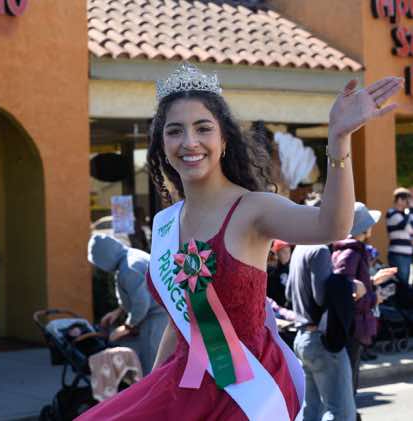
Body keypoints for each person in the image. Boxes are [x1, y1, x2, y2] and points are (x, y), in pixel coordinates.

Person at [76, 64, 402, 421]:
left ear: (224, 140)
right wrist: (151, 392)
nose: (189, 141)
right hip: (185, 382)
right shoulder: (166, 223)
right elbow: (181, 322)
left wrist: (338, 139)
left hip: (247, 389)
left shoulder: (252, 208)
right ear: (162, 144)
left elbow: (333, 225)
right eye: (175, 131)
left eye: (203, 128)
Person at [286, 242, 366, 421]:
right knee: (341, 413)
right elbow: (321, 296)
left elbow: (289, 294)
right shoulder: (319, 250)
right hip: (322, 341)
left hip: (303, 339)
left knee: (311, 412)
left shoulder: (299, 248)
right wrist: (352, 286)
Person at [332, 202, 397, 405]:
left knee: (349, 381)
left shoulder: (351, 250)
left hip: (354, 324)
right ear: (363, 227)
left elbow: (353, 285)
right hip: (353, 326)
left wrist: (373, 281)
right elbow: (345, 290)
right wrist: (375, 298)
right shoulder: (351, 252)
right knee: (348, 385)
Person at [89, 235, 168, 376]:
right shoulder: (132, 256)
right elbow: (139, 291)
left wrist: (127, 327)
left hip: (156, 319)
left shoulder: (129, 269)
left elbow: (141, 303)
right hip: (164, 314)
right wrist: (118, 312)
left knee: (152, 368)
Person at [386, 187, 413, 285]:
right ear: (399, 200)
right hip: (398, 254)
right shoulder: (392, 213)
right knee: (402, 284)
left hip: (407, 254)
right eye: (407, 200)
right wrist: (410, 209)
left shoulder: (405, 215)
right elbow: (405, 226)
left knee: (406, 283)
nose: (408, 202)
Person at [267, 240, 291, 306]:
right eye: (283, 252)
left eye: (289, 251)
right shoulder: (270, 271)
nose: (287, 254)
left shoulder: (291, 268)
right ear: (277, 253)